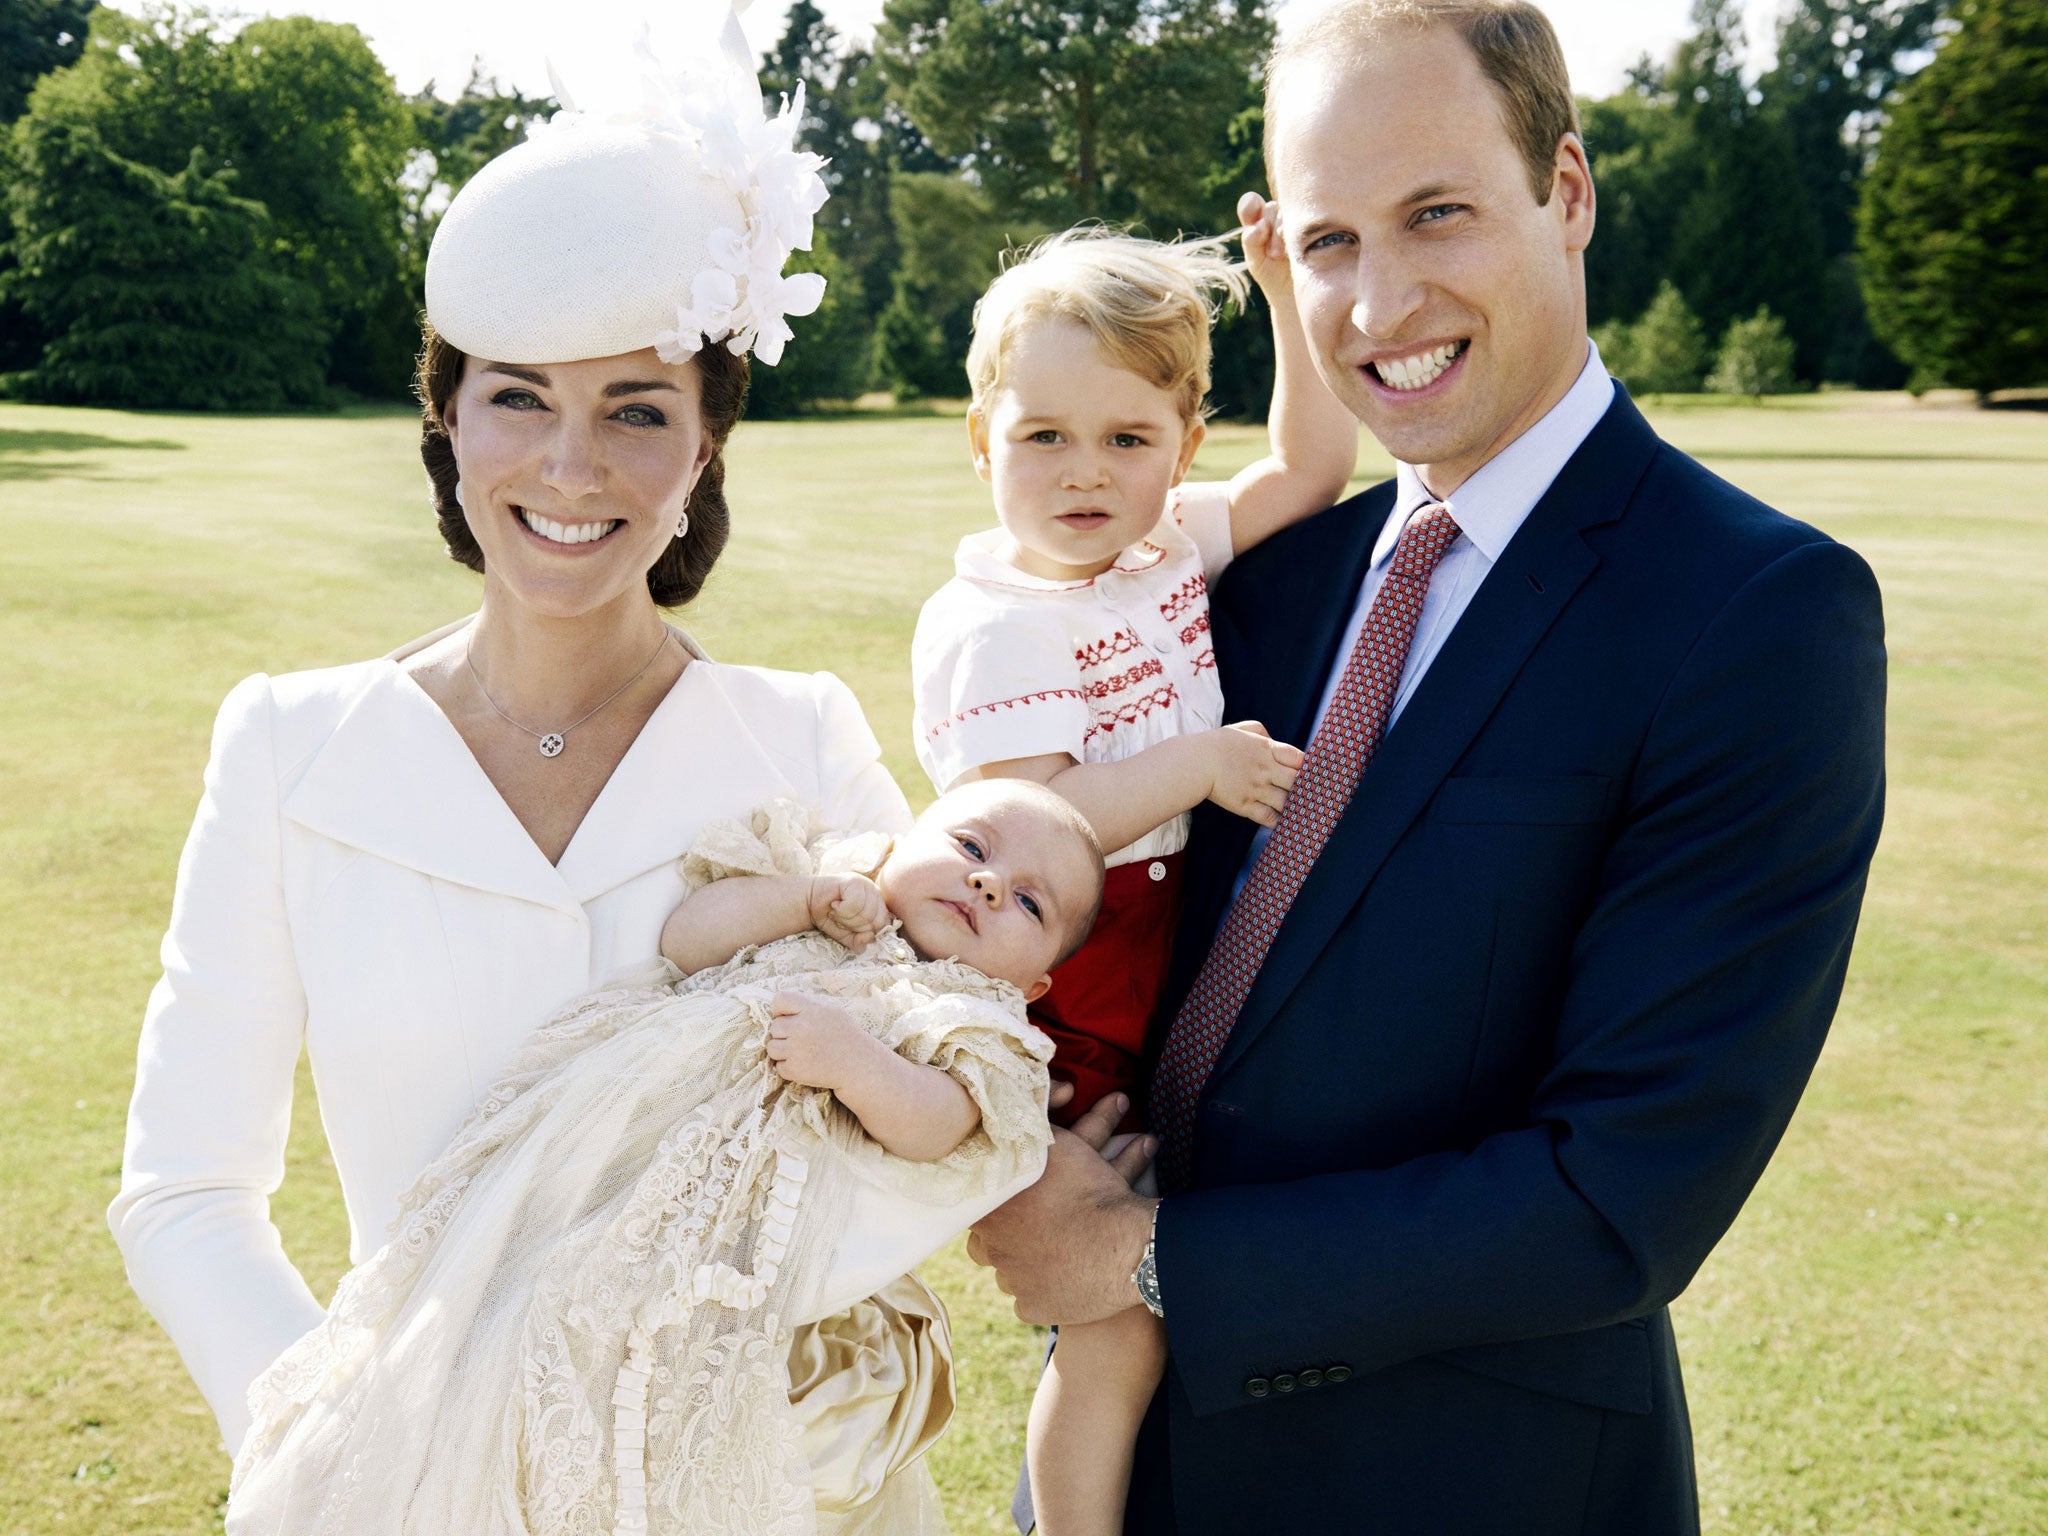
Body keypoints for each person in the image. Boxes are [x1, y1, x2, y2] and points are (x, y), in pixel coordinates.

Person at [972, 3, 1889, 1533]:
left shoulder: (1756, 613)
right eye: (1329, 240)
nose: (1381, 300)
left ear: (1570, 192)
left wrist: (1136, 1261)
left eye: (1439, 213)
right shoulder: (1261, 581)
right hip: (1132, 1472)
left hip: (1467, 1481)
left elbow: (1619, 1196)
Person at [108, 11, 973, 1526]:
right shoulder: (290, 747)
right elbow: (184, 1190)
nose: (571, 472)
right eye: (519, 397)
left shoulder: (806, 738)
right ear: (445, 415)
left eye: (635, 412)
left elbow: (913, 1125)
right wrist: (356, 1455)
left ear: (706, 445)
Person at [226, 785, 1105, 1534]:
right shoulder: (832, 883)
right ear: (900, 840)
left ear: (1033, 988)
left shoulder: (977, 1020)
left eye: (1030, 904)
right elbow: (690, 938)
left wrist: (858, 1064)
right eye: (969, 846)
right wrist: (802, 898)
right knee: (508, 1284)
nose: (989, 884)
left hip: (725, 1206)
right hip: (613, 1128)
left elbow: (944, 1123)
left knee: (635, 1342)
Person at [909, 225, 1357, 1533]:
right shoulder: (999, 623)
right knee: (1115, 1315)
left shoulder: (1166, 549)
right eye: (1042, 436)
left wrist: (1284, 291)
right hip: (1057, 977)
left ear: (1181, 445)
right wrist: (1200, 764)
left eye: (1127, 438)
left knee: (1161, 1283)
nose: (1085, 473)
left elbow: (1316, 465)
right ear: (982, 444)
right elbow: (1038, 824)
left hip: (1152, 960)